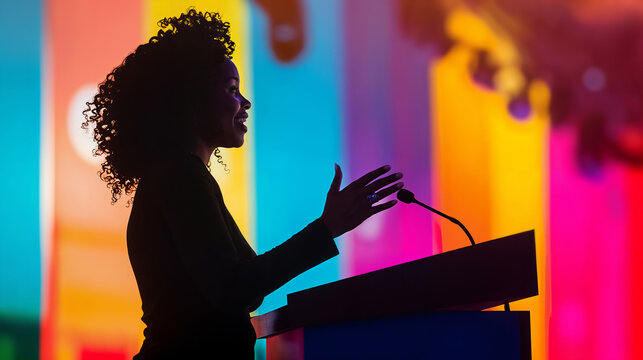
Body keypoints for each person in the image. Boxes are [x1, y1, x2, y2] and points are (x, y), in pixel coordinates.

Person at [83, 9, 404, 359]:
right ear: (191, 100)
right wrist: (327, 228)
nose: (245, 102)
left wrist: (327, 229)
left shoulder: (179, 175)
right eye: (232, 90)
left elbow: (244, 289)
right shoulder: (179, 176)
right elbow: (236, 288)